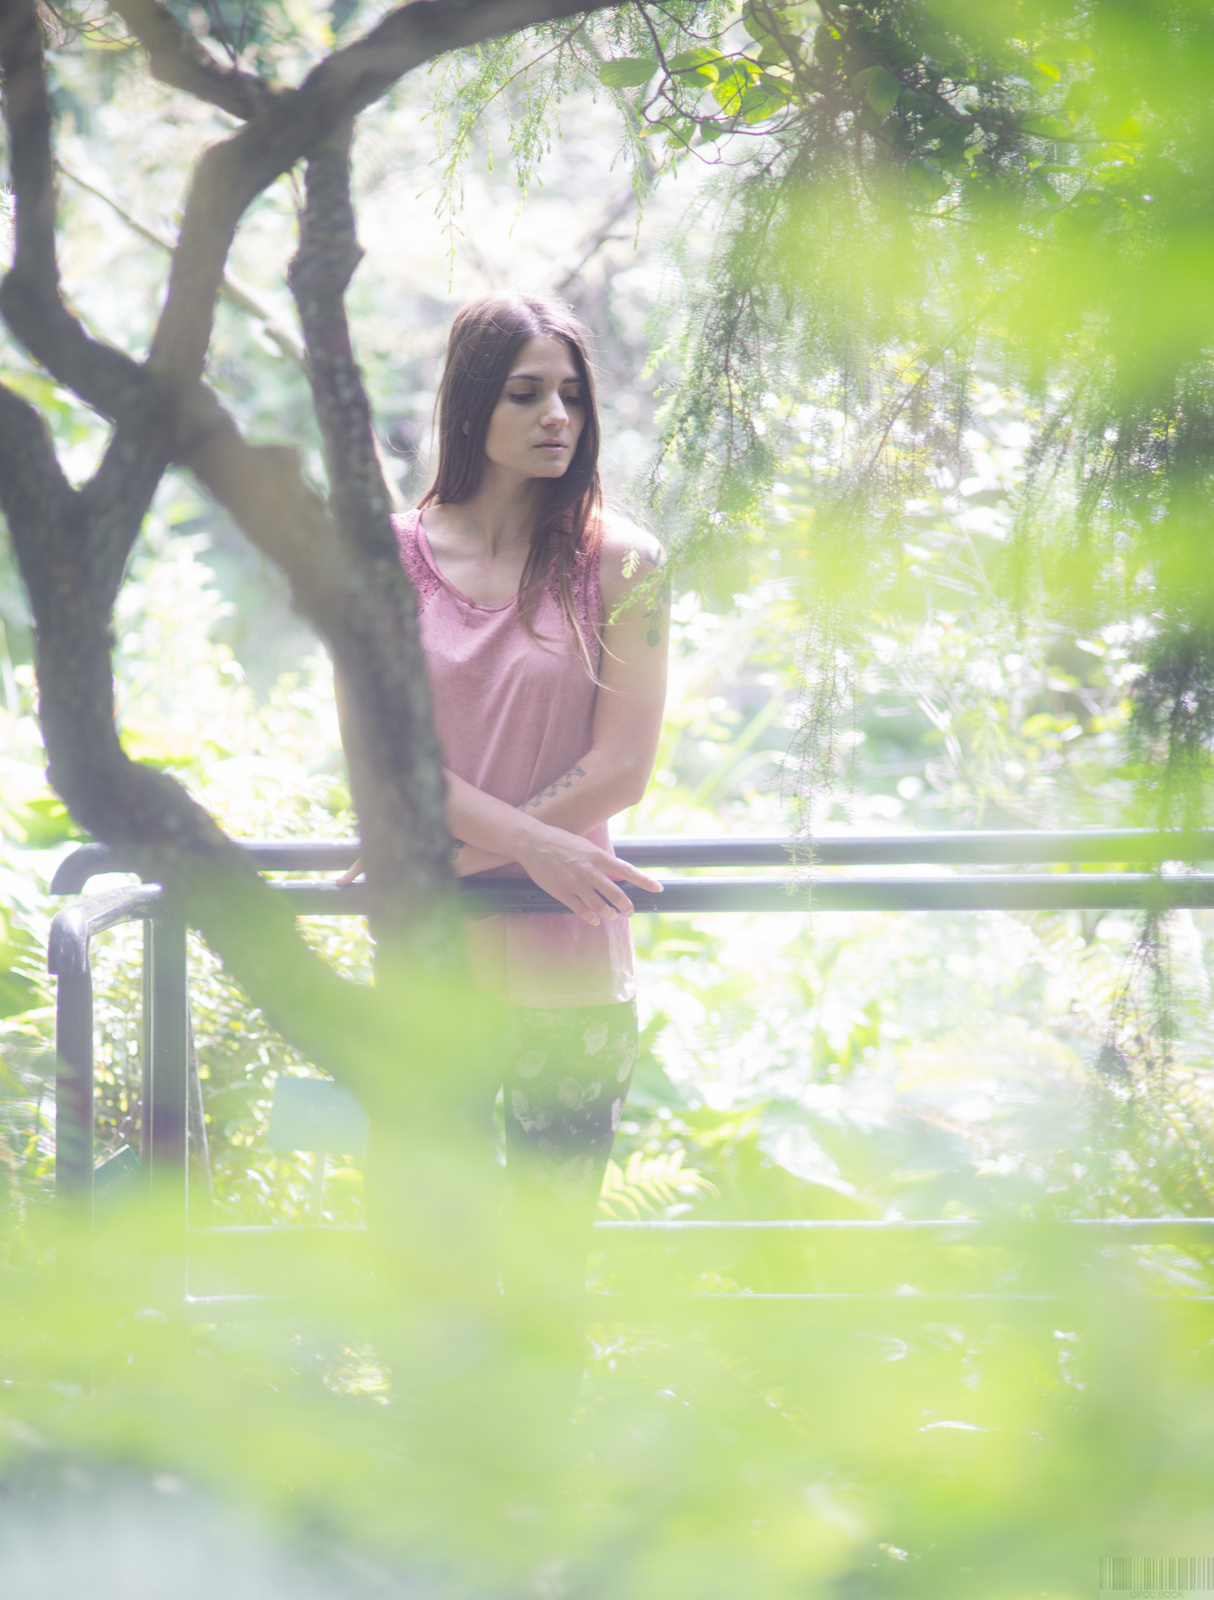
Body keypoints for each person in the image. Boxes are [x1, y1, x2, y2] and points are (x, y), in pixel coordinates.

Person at [358, 293, 668, 1299]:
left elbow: (621, 766)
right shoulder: (381, 558)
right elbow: (383, 754)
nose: (556, 418)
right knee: (427, 1265)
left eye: (572, 395)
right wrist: (529, 843)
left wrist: (451, 860)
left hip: (568, 964)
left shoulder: (624, 563)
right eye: (525, 393)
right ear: (469, 404)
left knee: (545, 1276)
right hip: (428, 969)